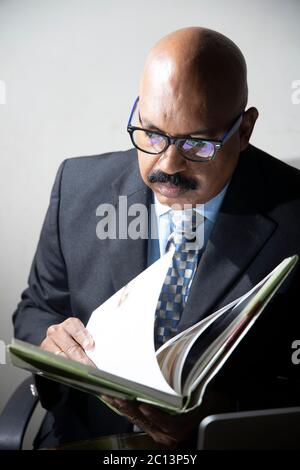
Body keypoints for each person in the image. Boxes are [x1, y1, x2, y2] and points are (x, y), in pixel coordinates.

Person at [13, 26, 300, 449]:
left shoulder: (294, 214)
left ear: (243, 131)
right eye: (151, 133)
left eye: (197, 144)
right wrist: (53, 341)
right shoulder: (76, 186)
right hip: (88, 437)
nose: (166, 166)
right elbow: (36, 308)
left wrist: (228, 409)